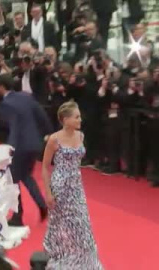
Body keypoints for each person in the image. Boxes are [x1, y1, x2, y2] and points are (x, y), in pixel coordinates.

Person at [41, 101, 103, 269]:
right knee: (59, 223)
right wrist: (48, 193)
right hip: (60, 186)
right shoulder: (54, 139)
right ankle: (58, 256)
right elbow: (45, 167)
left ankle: (86, 263)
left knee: (82, 223)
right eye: (77, 117)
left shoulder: (81, 136)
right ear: (65, 119)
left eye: (79, 117)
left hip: (76, 186)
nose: (80, 120)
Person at [0, 74, 52, 226]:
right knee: (26, 176)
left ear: (0, 87)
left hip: (18, 145)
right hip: (34, 144)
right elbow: (42, 116)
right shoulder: (26, 97)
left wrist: (10, 146)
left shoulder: (5, 104)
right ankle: (41, 204)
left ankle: (18, 216)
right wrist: (48, 133)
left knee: (12, 179)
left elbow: (13, 127)